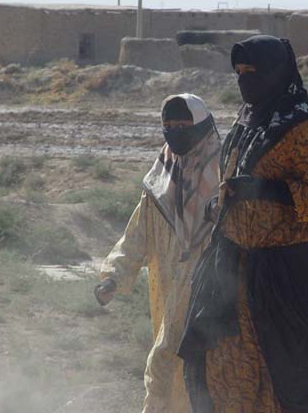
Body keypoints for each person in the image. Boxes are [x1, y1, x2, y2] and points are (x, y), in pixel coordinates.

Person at [178, 36, 308, 413]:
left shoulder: (301, 128)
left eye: (253, 72)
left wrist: (266, 190)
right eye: (239, 72)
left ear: (276, 73)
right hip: (231, 268)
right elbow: (231, 179)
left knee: (296, 377)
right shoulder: (245, 122)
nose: (245, 79)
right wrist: (222, 200)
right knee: (224, 369)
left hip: (282, 276)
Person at [95, 93, 221, 413]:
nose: (175, 131)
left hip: (212, 290)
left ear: (202, 126)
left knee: (169, 361)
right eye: (168, 125)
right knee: (173, 365)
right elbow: (138, 234)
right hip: (168, 291)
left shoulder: (224, 173)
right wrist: (114, 275)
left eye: (183, 124)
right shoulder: (161, 177)